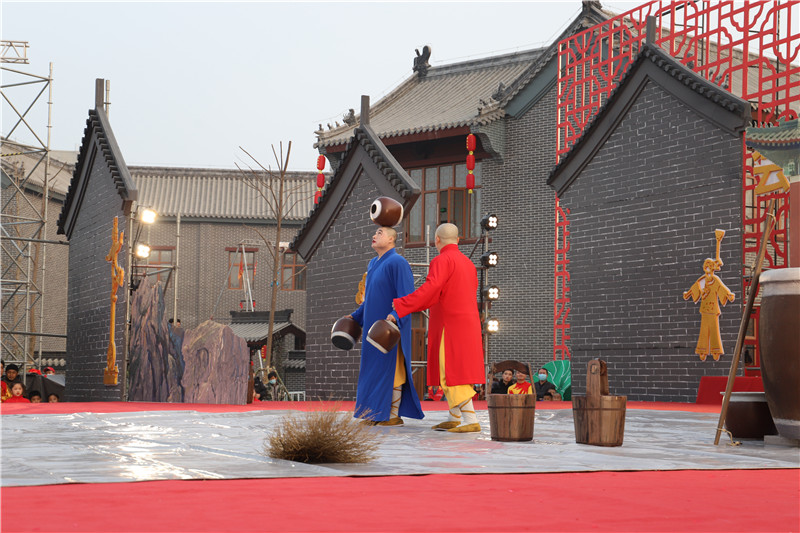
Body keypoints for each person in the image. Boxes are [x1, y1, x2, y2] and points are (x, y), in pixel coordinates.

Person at [391, 223, 484, 433]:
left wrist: (402, 304)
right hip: (468, 324)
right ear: (458, 240)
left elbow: (431, 290)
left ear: (437, 240)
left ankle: (470, 419)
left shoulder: (441, 260)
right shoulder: (468, 263)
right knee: (460, 368)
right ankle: (454, 416)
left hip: (449, 324)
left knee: (450, 370)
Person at [350, 226, 424, 426]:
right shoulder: (373, 263)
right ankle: (373, 414)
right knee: (373, 371)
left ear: (391, 239)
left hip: (389, 328)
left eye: (379, 233)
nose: (374, 235)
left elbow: (407, 295)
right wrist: (355, 316)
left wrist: (395, 315)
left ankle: (392, 415)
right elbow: (369, 300)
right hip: (371, 330)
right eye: (375, 233)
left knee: (393, 371)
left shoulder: (398, 262)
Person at [683, 258, 735, 361]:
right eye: (706, 265)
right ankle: (702, 350)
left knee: (714, 329)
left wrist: (728, 295)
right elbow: (694, 288)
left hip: (713, 308)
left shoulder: (715, 280)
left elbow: (721, 288)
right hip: (704, 309)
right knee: (704, 330)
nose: (707, 267)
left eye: (709, 265)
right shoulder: (702, 280)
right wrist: (688, 294)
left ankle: (716, 350)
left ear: (712, 268)